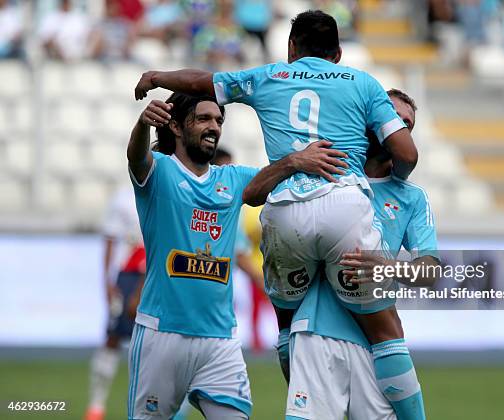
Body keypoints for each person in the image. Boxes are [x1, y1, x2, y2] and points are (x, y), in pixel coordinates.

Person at [133, 10, 419, 418]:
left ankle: (301, 386)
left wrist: (157, 77)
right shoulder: (364, 83)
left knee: (288, 322)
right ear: (338, 53)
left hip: (285, 211)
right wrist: (397, 182)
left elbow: (202, 82)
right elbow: (406, 154)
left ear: (290, 49)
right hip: (345, 206)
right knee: (385, 330)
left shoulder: (271, 76)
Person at [126, 91, 348, 419]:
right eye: (203, 118)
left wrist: (298, 161)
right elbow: (136, 157)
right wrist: (143, 125)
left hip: (221, 340)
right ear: (175, 125)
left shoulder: (232, 179)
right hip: (162, 333)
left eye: (218, 120)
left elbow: (273, 179)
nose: (214, 126)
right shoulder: (159, 171)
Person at [244, 89, 438, 419]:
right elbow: (255, 197)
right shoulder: (320, 172)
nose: (400, 127)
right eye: (394, 117)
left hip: (378, 348)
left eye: (408, 124)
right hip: (317, 332)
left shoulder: (412, 198)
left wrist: (387, 267)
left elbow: (430, 274)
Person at [85, 187, 145, 420]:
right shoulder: (123, 198)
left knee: (154, 343)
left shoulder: (167, 189)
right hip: (127, 275)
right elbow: (110, 239)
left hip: (158, 272)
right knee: (112, 338)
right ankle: (96, 406)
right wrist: (108, 282)